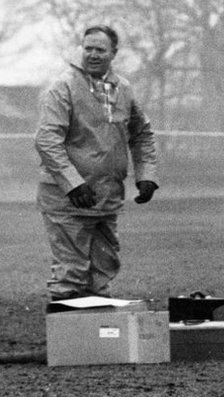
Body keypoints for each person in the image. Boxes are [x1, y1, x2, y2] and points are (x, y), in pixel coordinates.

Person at [34, 25, 159, 310]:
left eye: (100, 49)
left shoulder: (123, 89)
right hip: (66, 202)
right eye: (88, 47)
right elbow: (46, 139)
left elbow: (142, 133)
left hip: (106, 199)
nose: (92, 54)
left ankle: (99, 343)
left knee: (103, 273)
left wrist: (146, 174)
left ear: (113, 53)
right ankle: (70, 346)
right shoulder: (62, 87)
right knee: (70, 273)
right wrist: (72, 182)